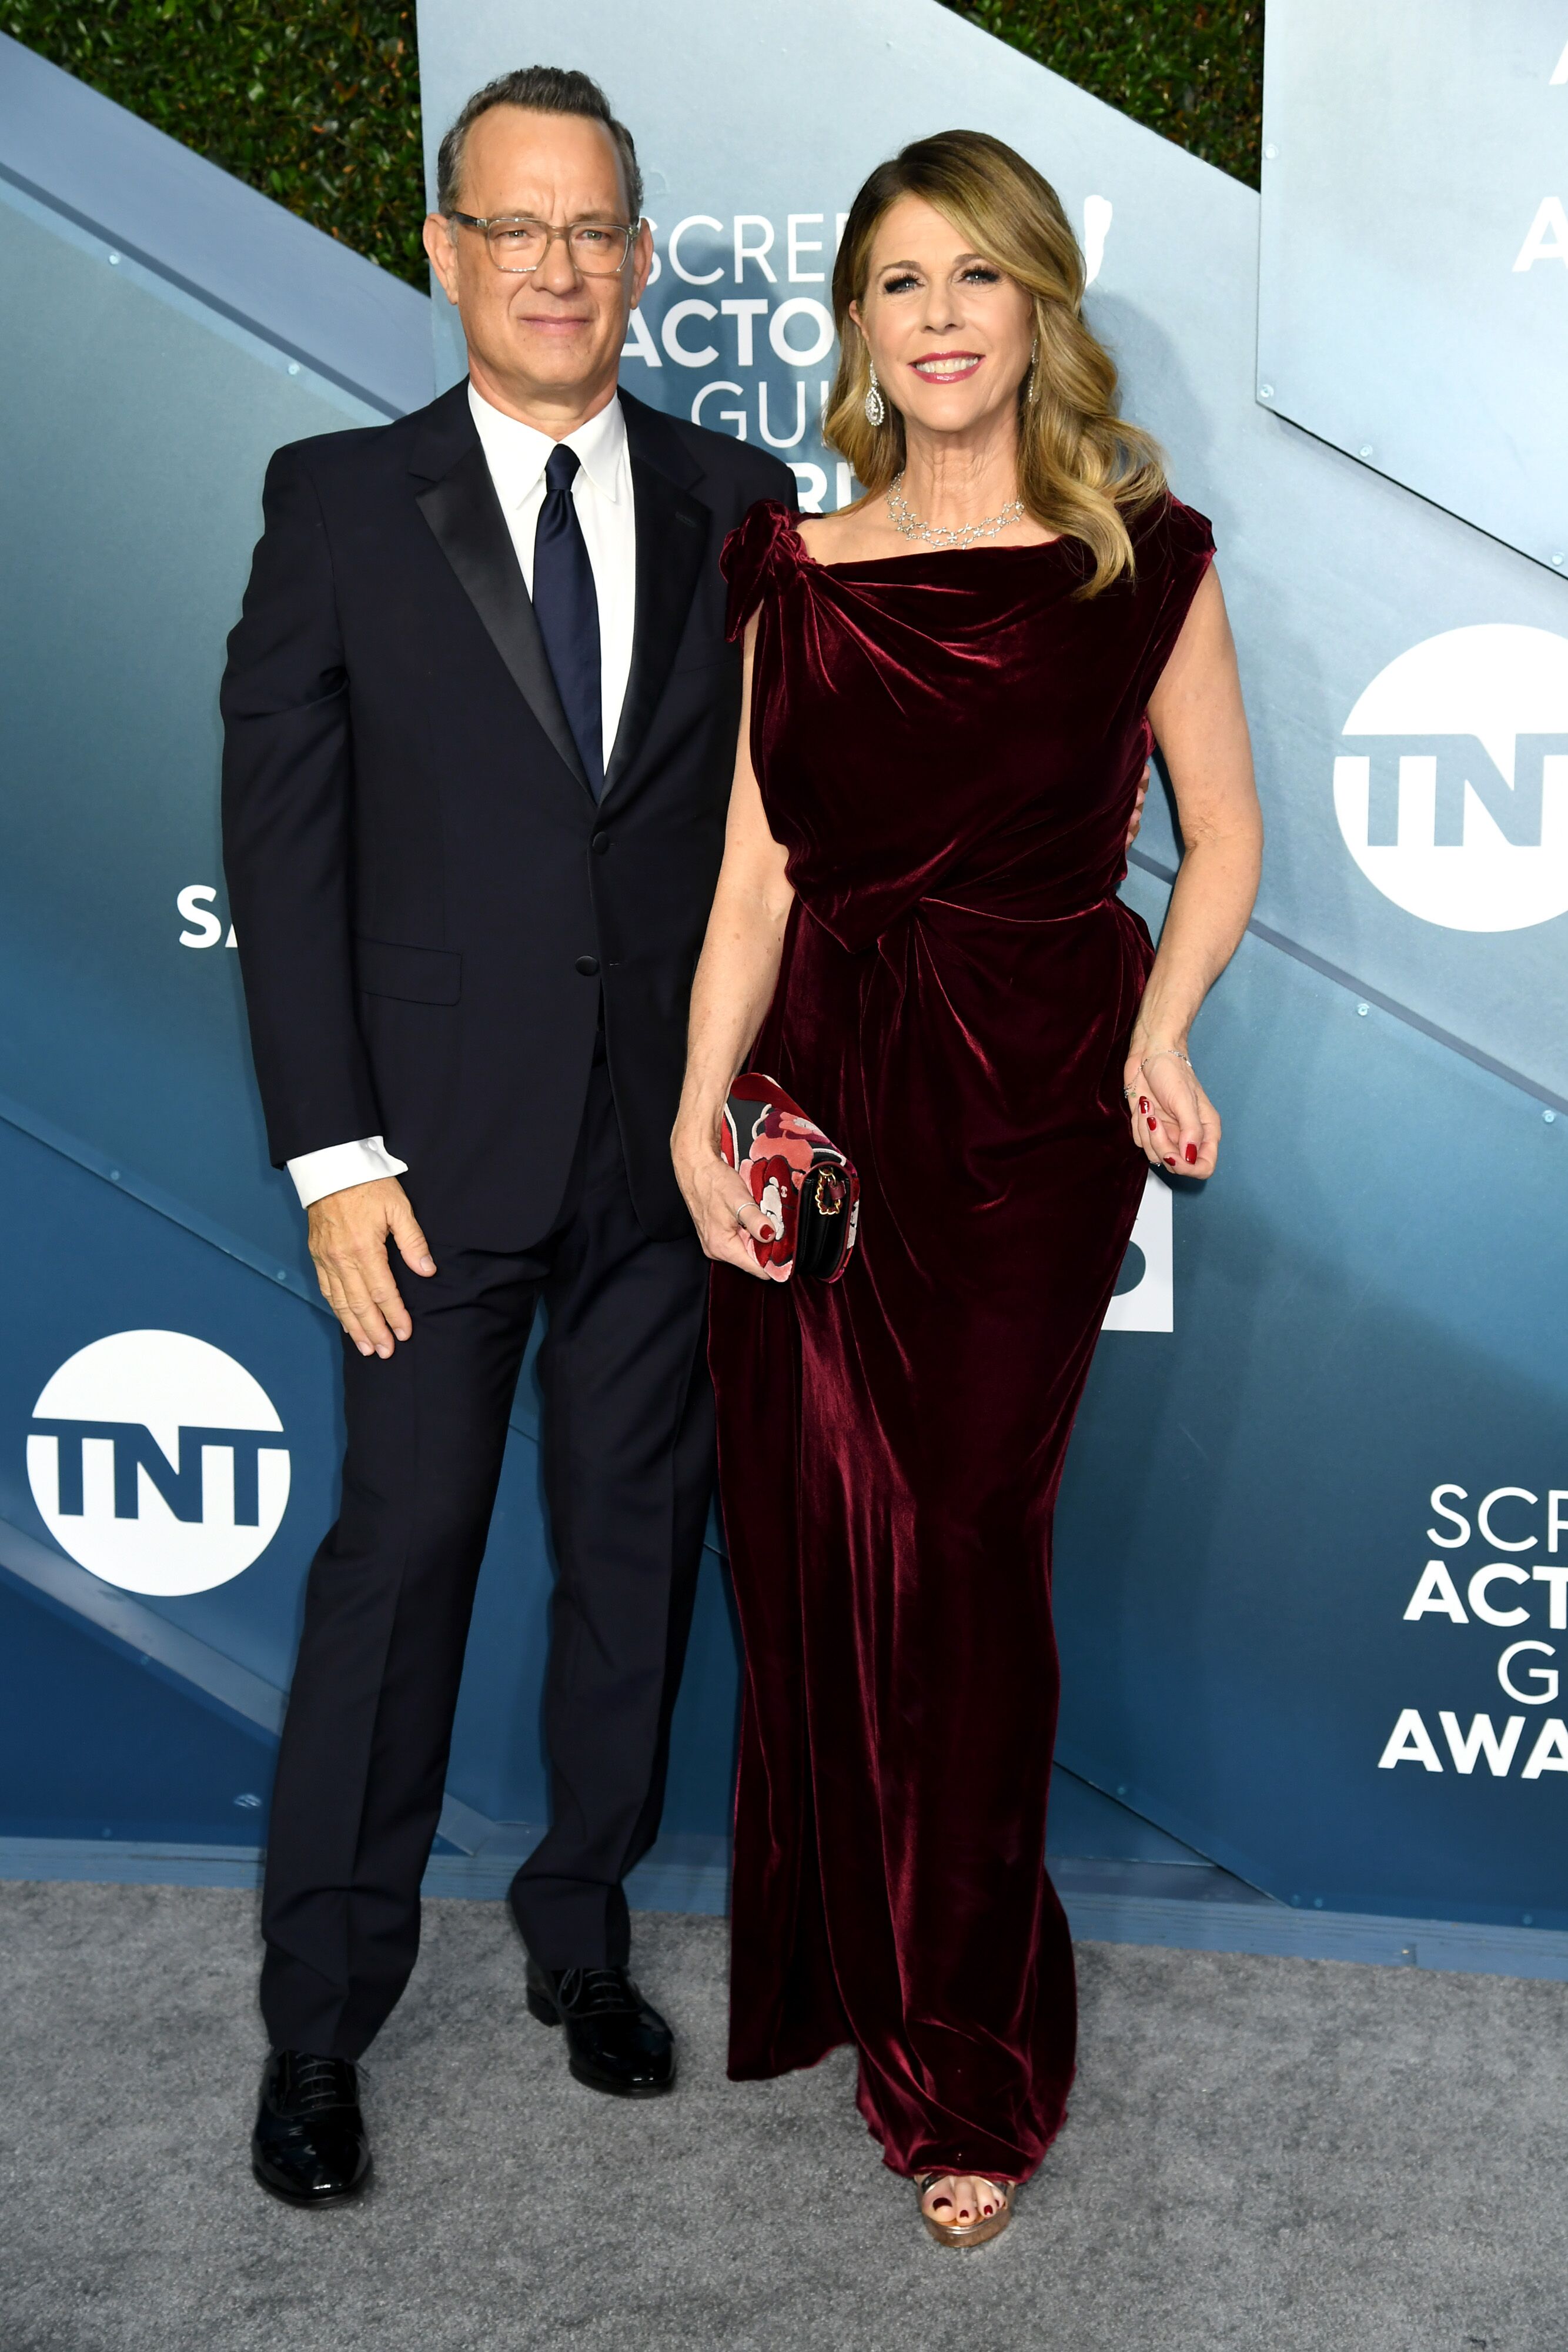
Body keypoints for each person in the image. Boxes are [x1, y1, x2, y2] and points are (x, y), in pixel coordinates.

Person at [672, 130, 1262, 2249]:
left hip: (1025, 1106)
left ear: (1035, 309)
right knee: (820, 1542)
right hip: (814, 1097)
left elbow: (1225, 842)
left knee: (963, 1557)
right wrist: (691, 1104)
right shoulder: (792, 571)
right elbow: (752, 873)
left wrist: (1156, 1029)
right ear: (860, 325)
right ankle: (862, 1975)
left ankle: (970, 2059)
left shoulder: (1136, 558)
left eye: (972, 278)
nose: (936, 317)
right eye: (897, 282)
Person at [220, 65, 794, 2204]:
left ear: (639, 258)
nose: (557, 268)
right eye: (513, 227)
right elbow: (282, 863)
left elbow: (780, 837)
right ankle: (319, 2022)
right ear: (445, 249)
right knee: (406, 1567)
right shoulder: (339, 504)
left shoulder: (749, 506)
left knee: (633, 1568)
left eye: (594, 231)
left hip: (665, 1155)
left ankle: (581, 1934)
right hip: (426, 1170)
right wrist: (330, 1155)